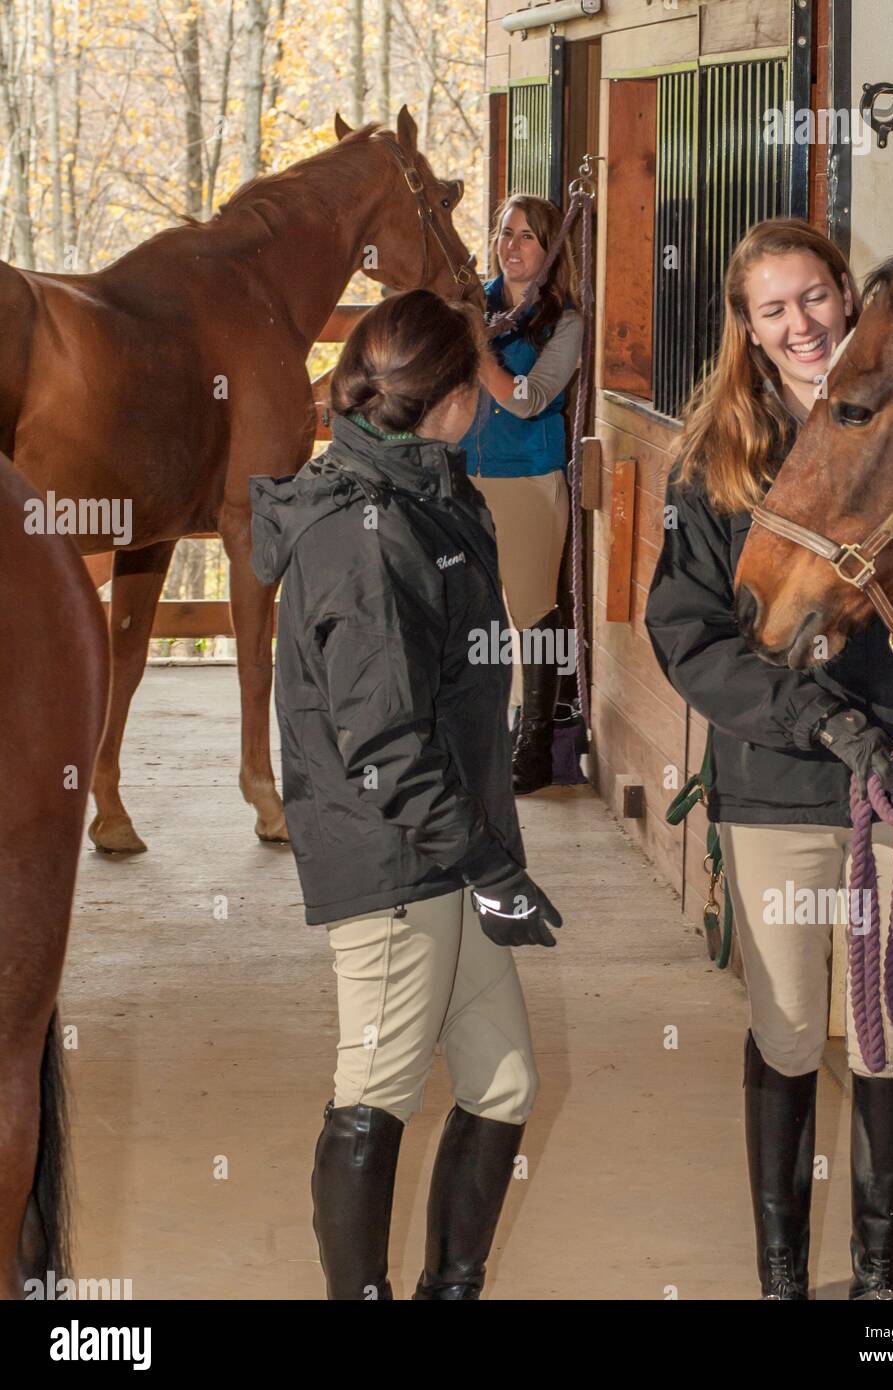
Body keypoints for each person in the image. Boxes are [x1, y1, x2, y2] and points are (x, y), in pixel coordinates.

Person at [644, 219, 893, 1300]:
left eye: (814, 297)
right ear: (747, 330)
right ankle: (781, 1281)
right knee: (791, 1028)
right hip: (783, 785)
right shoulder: (718, 459)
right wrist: (815, 721)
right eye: (774, 309)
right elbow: (689, 636)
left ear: (849, 298)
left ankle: (875, 1283)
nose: (800, 324)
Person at [249, 289, 562, 1301]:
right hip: (396, 855)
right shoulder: (368, 535)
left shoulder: (417, 485)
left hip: (446, 844)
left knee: (504, 1080)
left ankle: (449, 1288)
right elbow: (382, 741)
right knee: (375, 1091)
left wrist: (480, 854)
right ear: (452, 396)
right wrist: (485, 863)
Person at [460, 194, 583, 794]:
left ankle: (534, 746)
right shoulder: (470, 304)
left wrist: (475, 349)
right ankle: (471, 738)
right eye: (505, 233)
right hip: (461, 474)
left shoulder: (564, 321)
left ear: (550, 248)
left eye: (528, 236)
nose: (511, 246)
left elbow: (528, 399)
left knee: (532, 610)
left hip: (527, 479)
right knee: (461, 611)